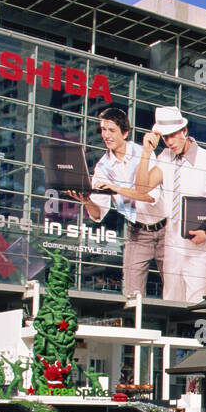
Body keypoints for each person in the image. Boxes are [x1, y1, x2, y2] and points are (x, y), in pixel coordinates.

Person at [135, 107, 206, 303]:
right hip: (172, 247)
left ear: (184, 131)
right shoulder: (164, 157)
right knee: (171, 304)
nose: (170, 142)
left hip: (200, 252)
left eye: (173, 135)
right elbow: (141, 189)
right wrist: (146, 152)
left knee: (197, 307)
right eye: (165, 137)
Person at [68, 107, 168, 298]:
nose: (106, 135)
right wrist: (87, 200)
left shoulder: (144, 153)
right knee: (131, 293)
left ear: (125, 132)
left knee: (172, 288)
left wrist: (116, 189)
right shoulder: (102, 167)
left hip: (165, 229)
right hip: (136, 232)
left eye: (111, 130)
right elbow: (98, 215)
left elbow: (149, 195)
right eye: (103, 130)